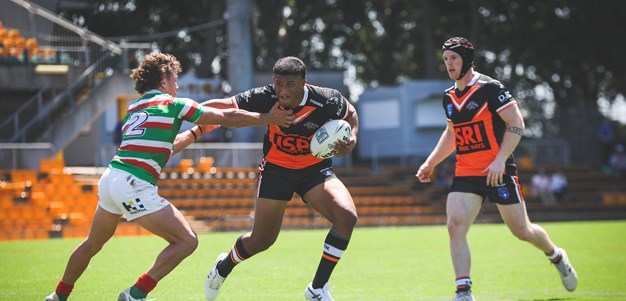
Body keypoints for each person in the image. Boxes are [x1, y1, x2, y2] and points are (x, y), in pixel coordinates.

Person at [44, 51, 294, 301]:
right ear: (163, 79)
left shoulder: (135, 109)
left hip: (111, 179)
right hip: (133, 184)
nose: (177, 85)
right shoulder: (173, 104)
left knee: (92, 244)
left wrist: (196, 133)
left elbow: (166, 146)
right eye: (174, 78)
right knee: (186, 241)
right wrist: (268, 118)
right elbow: (227, 116)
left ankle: (58, 296)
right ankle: (135, 294)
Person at [415, 37, 577, 301]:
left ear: (466, 59)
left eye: (453, 58)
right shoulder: (448, 97)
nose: (449, 64)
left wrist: (501, 159)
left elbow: (516, 123)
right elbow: (452, 134)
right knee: (455, 226)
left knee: (522, 231)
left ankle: (556, 255)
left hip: (498, 171)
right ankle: (463, 292)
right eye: (445, 60)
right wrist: (430, 162)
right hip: (466, 173)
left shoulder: (490, 88)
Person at [202, 56, 359, 301]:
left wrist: (352, 141)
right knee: (261, 241)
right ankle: (223, 267)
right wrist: (184, 110)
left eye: (290, 84)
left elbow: (351, 115)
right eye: (278, 83)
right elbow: (225, 107)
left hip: (314, 170)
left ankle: (316, 289)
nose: (282, 91)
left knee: (346, 216)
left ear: (304, 83)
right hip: (277, 170)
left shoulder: (327, 99)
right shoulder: (265, 96)